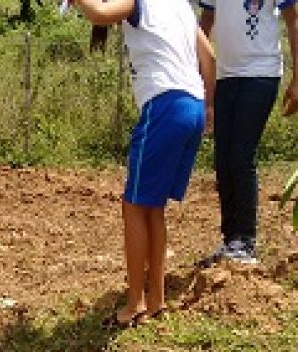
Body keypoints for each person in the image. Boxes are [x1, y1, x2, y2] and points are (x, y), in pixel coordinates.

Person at [72, 0, 216, 328]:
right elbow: (208, 57)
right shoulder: (180, 5)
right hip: (192, 105)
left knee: (134, 206)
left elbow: (100, 14)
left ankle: (135, 302)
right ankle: (156, 300)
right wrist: (209, 107)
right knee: (153, 207)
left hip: (165, 106)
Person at [198, 0, 298, 266]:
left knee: (241, 156)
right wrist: (194, 69)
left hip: (261, 73)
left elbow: (294, 18)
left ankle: (246, 241)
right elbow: (206, 21)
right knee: (223, 160)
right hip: (224, 76)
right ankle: (230, 240)